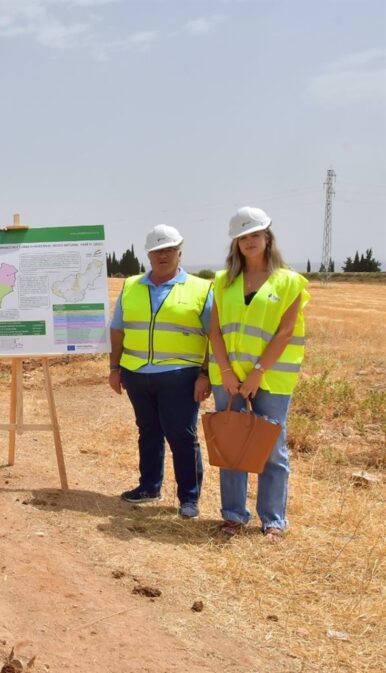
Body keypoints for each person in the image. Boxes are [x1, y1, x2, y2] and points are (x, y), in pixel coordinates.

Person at [207, 206, 308, 542]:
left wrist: (257, 374)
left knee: (272, 449)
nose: (249, 241)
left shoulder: (290, 281)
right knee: (231, 444)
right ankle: (233, 517)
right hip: (229, 378)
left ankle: (274, 520)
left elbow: (285, 333)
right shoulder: (223, 282)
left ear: (267, 237)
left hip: (272, 379)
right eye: (242, 237)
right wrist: (226, 372)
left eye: (254, 234)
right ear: (235, 244)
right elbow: (215, 331)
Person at [108, 224, 213, 519]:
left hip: (180, 375)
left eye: (168, 249)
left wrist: (206, 374)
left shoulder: (201, 289)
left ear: (179, 252)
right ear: (148, 254)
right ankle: (149, 486)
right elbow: (118, 330)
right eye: (156, 250)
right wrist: (115, 368)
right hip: (136, 372)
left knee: (182, 435)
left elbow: (215, 338)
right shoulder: (131, 286)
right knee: (148, 431)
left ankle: (189, 498)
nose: (162, 255)